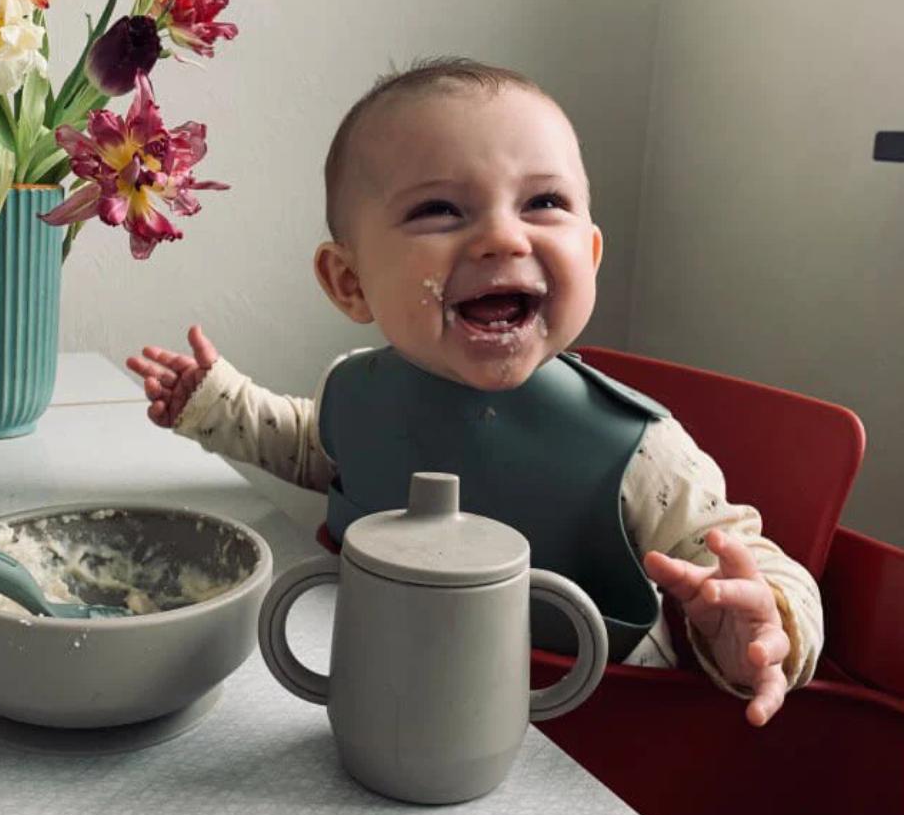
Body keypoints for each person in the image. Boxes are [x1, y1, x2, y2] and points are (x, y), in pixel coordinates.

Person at [127, 59, 823, 726]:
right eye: (440, 210)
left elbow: (735, 551)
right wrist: (219, 406)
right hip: (393, 688)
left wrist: (763, 624)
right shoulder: (357, 393)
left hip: (589, 738)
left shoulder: (640, 451)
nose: (502, 237)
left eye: (544, 202)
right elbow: (319, 450)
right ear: (351, 282)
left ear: (590, 254)